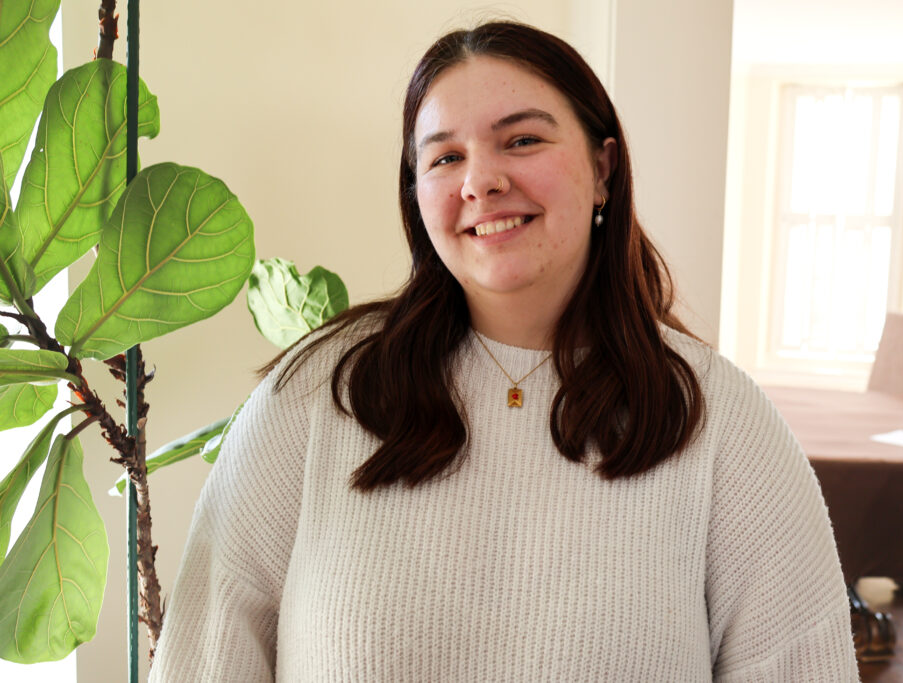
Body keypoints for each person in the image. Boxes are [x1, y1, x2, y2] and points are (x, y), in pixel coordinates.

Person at [149, 21, 859, 682]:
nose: (480, 180)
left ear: (604, 167)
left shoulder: (722, 421)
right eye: (445, 156)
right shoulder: (318, 395)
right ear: (417, 193)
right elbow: (203, 660)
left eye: (522, 141)